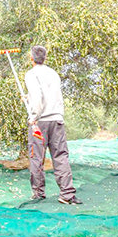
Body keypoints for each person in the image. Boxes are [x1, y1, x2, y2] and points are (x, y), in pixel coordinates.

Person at [24, 45, 82, 205]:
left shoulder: (31, 74)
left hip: (40, 122)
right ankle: (67, 194)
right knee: (61, 156)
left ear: (31, 58)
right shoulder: (53, 74)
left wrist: (33, 117)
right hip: (57, 120)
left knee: (36, 157)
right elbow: (49, 96)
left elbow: (38, 97)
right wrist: (28, 98)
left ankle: (38, 193)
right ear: (45, 58)